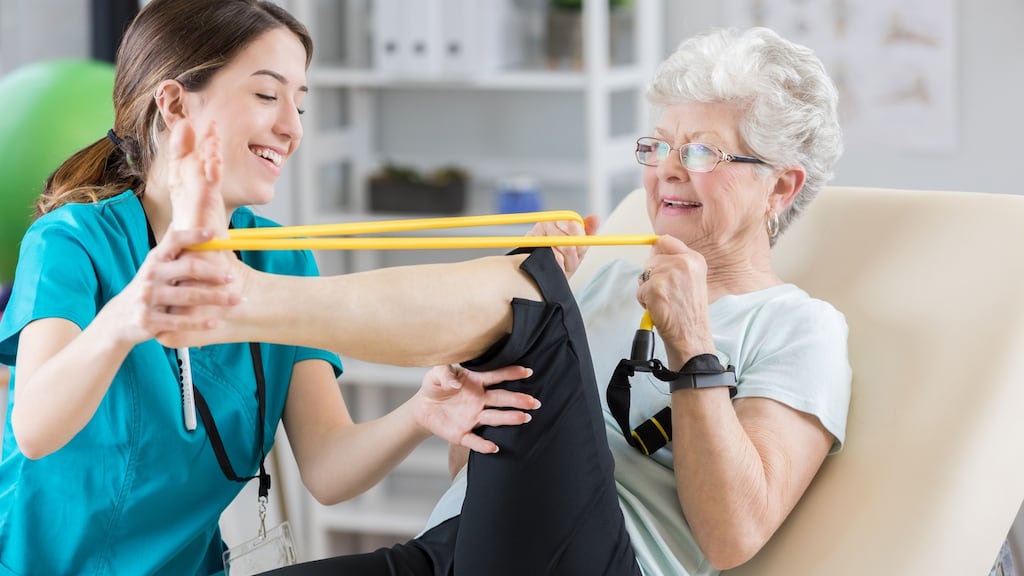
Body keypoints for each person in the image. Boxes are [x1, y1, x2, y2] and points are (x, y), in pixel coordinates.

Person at [165, 26, 852, 576]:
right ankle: (236, 298)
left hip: (605, 563)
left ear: (781, 188)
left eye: (702, 152)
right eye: (659, 146)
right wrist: (483, 353)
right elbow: (476, 464)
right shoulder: (607, 273)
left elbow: (735, 536)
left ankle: (236, 299)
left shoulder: (799, 328)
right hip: (461, 548)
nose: (667, 169)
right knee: (533, 291)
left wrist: (692, 345)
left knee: (537, 303)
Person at [0, 1, 544, 574]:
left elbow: (328, 467)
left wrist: (420, 414)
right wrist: (126, 316)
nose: (293, 127)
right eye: (267, 95)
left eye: (300, 102)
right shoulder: (70, 240)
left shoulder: (280, 257)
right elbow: (34, 429)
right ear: (175, 103)